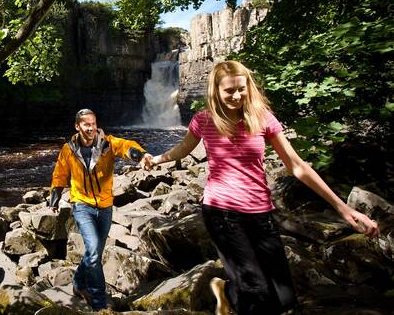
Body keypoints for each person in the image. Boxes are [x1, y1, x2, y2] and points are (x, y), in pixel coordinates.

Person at [143, 60, 379, 315]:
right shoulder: (204, 121)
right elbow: (183, 149)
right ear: (216, 92)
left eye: (240, 89)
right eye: (229, 91)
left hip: (260, 212)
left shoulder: (263, 119)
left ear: (249, 87)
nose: (236, 96)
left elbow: (297, 166)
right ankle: (238, 293)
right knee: (257, 293)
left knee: (285, 299)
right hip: (222, 212)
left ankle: (227, 290)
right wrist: (156, 159)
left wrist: (344, 209)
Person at [48, 108, 148, 311]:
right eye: (86, 124)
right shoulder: (68, 149)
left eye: (93, 123)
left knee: (95, 253)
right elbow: (59, 175)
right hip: (82, 205)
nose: (91, 127)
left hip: (105, 206)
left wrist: (140, 155)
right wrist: (54, 199)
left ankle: (78, 282)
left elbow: (125, 146)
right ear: (77, 126)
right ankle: (99, 302)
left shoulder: (107, 143)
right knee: (93, 251)